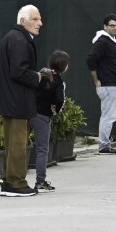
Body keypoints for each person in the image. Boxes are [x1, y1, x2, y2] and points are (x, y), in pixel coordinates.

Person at [0, 5, 46, 196]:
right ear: (22, 21)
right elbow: (18, 71)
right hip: (16, 101)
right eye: (35, 19)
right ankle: (16, 183)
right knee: (18, 144)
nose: (40, 23)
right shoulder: (19, 39)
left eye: (39, 19)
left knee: (13, 143)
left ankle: (8, 182)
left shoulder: (15, 37)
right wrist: (37, 77)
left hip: (13, 100)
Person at [87, 13, 116, 154]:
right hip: (108, 84)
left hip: (112, 84)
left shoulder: (111, 41)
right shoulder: (103, 41)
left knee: (109, 115)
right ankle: (104, 145)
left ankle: (105, 144)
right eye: (112, 25)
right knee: (108, 116)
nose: (115, 28)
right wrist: (96, 80)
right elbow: (91, 60)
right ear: (105, 26)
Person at [33, 50, 69, 191]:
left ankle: (10, 177)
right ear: (64, 67)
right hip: (43, 116)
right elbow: (59, 100)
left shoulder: (42, 74)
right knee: (42, 150)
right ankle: (40, 181)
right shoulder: (58, 81)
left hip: (29, 112)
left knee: (20, 146)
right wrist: (56, 109)